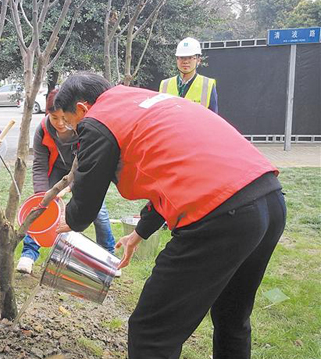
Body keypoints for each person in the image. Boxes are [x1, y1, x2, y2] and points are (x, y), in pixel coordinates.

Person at [55, 72, 285, 358]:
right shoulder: (140, 100)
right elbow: (175, 170)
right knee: (231, 316)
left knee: (151, 331)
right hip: (268, 198)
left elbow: (87, 195)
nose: (74, 129)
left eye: (71, 122)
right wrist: (139, 234)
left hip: (221, 216)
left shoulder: (98, 118)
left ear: (82, 108)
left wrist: (69, 220)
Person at [16, 90, 116, 275]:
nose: (60, 123)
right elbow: (39, 165)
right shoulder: (43, 130)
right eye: (54, 118)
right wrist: (43, 195)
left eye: (64, 118)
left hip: (84, 171)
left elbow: (89, 165)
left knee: (97, 211)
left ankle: (108, 257)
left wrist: (71, 186)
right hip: (57, 170)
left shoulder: (83, 127)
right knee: (40, 207)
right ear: (47, 114)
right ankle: (29, 254)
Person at [159, 37, 219, 113]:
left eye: (190, 58)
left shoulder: (207, 85)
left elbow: (213, 118)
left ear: (198, 60)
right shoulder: (165, 85)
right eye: (182, 58)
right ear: (176, 59)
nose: (185, 62)